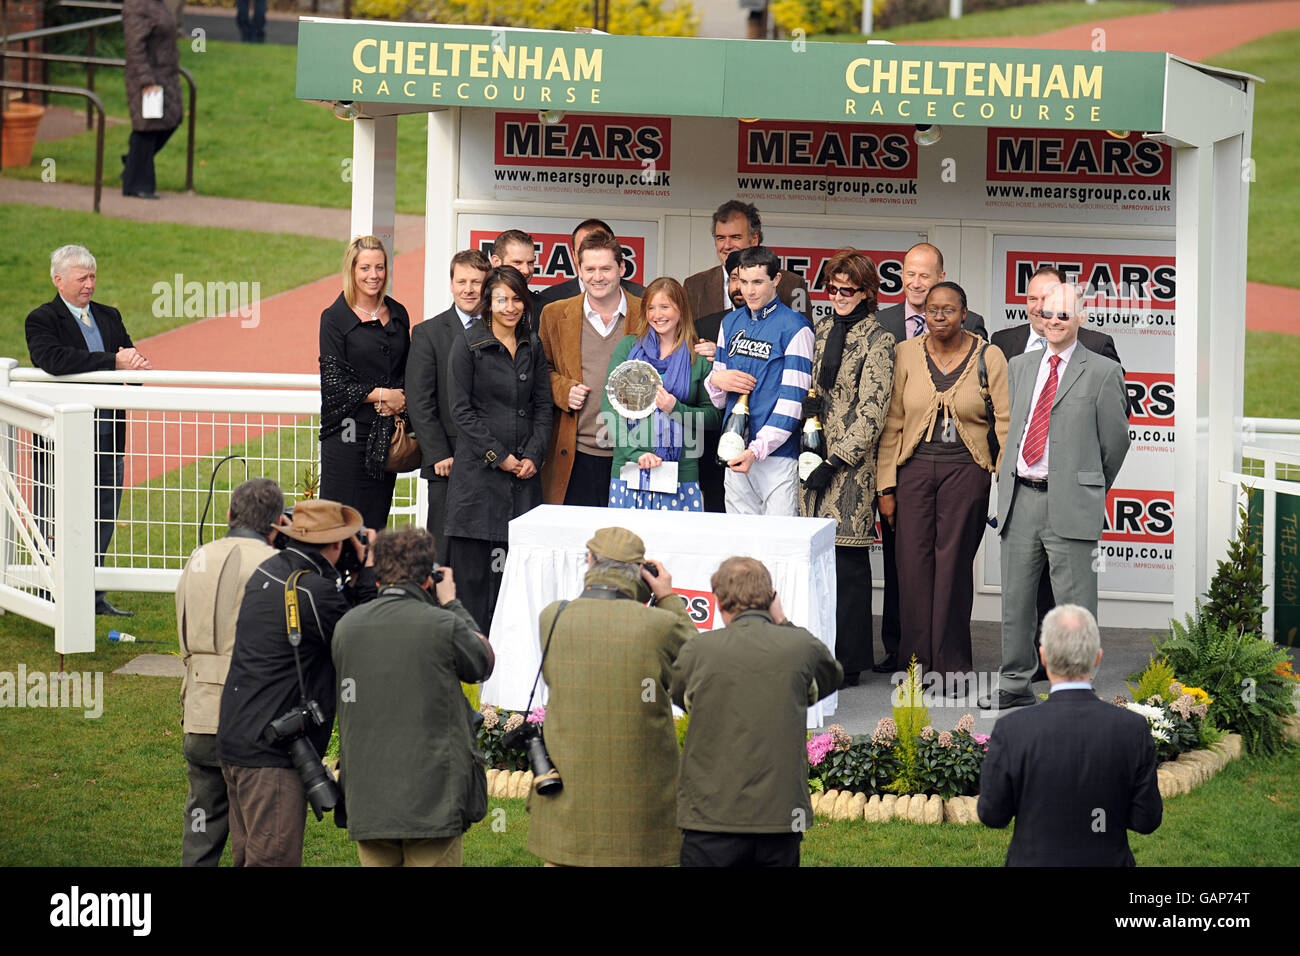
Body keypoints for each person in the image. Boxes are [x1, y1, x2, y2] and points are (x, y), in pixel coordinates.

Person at [980, 282, 1130, 710]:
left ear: (1080, 318)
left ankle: (1076, 688)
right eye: (1047, 314)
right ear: (1038, 317)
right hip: (1020, 498)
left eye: (1064, 315)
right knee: (1016, 602)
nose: (1055, 322)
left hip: (1070, 502)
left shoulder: (1102, 371)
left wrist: (1087, 485)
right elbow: (1011, 428)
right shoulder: (1021, 365)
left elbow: (1115, 444)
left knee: (1076, 605)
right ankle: (1014, 684)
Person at [216, 499, 377, 867]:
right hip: (271, 759)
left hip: (238, 738)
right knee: (273, 860)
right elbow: (361, 641)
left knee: (248, 857)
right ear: (336, 544)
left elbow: (329, 622)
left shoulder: (271, 570)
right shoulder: (313, 593)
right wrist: (366, 572)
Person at [526, 527, 695, 867]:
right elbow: (699, 671)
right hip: (639, 812)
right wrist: (667, 597)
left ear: (589, 562)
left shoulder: (553, 617)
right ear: (641, 573)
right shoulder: (658, 625)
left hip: (567, 804)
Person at [331, 527, 494, 867]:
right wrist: (452, 602)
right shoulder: (442, 624)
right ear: (428, 578)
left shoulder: (347, 627)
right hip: (432, 800)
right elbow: (481, 661)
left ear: (379, 576)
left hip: (369, 797)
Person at [875, 282, 1009, 692]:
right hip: (913, 471)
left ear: (964, 313)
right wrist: (886, 488)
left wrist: (1006, 482)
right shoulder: (906, 353)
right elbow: (893, 422)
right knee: (912, 569)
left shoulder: (990, 355)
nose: (939, 316)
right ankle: (914, 667)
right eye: (932, 309)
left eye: (948, 310)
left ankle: (951, 668)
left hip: (966, 471)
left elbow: (1005, 422)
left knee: (952, 569)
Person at [672, 556, 841, 867]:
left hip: (711, 818)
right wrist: (783, 621)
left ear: (720, 602)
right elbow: (831, 676)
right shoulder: (798, 645)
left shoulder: (700, 650)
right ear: (771, 599)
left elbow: (681, 694)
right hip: (779, 817)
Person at [977, 604, 1162, 865]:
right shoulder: (1132, 729)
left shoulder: (1013, 729)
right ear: (1097, 658)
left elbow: (992, 814)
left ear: (1042, 657)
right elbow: (1146, 820)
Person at [25, 244, 151, 617]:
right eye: (82, 278)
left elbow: (129, 356)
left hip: (109, 436)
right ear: (58, 279)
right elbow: (53, 360)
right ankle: (53, 593)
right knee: (56, 513)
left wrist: (139, 365)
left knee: (103, 514)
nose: (89, 284)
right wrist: (114, 360)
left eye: (93, 276)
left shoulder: (109, 316)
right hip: (63, 438)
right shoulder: (42, 319)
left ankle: (91, 595)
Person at [176, 477, 287, 867]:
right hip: (249, 721)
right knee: (255, 843)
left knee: (201, 834)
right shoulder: (274, 565)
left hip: (199, 712)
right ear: (277, 523)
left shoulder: (198, 556)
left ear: (229, 514)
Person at [798, 250, 895, 686]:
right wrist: (811, 410)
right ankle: (819, 656)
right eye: (832, 288)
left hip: (851, 470)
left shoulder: (880, 340)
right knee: (816, 563)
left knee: (848, 566)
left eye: (847, 290)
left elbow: (873, 411)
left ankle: (851, 661)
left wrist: (836, 460)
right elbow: (818, 387)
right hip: (812, 457)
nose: (838, 296)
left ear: (868, 293)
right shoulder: (821, 329)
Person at [445, 265, 551, 633]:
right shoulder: (468, 343)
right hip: (477, 486)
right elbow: (461, 411)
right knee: (473, 588)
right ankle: (471, 670)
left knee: (516, 582)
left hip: (523, 483)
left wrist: (533, 456)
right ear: (488, 303)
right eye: (501, 299)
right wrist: (500, 457)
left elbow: (543, 407)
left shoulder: (533, 344)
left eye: (516, 298)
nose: (509, 306)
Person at [704, 245, 814, 516]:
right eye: (743, 282)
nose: (749, 291)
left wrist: (756, 449)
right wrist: (717, 379)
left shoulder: (796, 327)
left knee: (776, 547)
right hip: (734, 450)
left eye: (757, 282)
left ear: (776, 280)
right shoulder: (729, 323)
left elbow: (794, 404)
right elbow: (718, 401)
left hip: (776, 457)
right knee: (741, 549)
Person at [538, 232, 643, 506]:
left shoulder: (647, 313)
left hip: (633, 452)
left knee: (626, 544)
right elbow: (538, 372)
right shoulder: (554, 314)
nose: (598, 277)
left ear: (621, 268)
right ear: (579, 271)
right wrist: (562, 390)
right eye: (590, 269)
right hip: (575, 455)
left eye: (606, 268)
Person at [602, 277, 721, 511]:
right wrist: (635, 453)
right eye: (651, 308)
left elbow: (714, 417)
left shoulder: (698, 357)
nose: (657, 315)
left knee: (675, 546)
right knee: (627, 545)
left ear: (681, 309)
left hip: (681, 474)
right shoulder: (628, 348)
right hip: (629, 467)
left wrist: (677, 409)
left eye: (665, 307)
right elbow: (609, 408)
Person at [318, 235, 411, 532]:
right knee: (339, 526)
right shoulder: (334, 318)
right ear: (352, 271)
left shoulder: (398, 313)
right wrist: (384, 396)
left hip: (385, 438)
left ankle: (369, 579)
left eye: (380, 267)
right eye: (365, 268)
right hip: (346, 438)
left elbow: (408, 370)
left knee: (374, 526)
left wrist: (403, 398)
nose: (374, 275)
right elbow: (334, 385)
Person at [405, 248, 491, 563]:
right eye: (462, 281)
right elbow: (419, 399)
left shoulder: (501, 330)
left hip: (490, 457)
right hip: (447, 459)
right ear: (451, 284)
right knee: (443, 544)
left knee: (481, 545)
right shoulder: (428, 333)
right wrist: (438, 452)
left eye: (477, 282)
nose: (468, 289)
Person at [684, 201, 811, 323]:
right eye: (720, 238)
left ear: (754, 239)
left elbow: (803, 335)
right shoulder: (695, 286)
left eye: (735, 237)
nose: (727, 245)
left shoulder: (792, 284)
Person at [692, 250, 746, 513]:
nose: (740, 287)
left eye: (748, 279)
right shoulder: (703, 326)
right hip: (712, 441)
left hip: (762, 442)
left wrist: (724, 357)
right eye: (734, 278)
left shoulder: (786, 324)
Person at [121, 0, 182, 199]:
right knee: (147, 128)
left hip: (166, 75)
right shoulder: (137, 6)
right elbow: (135, 48)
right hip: (147, 76)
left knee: (172, 120)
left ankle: (132, 165)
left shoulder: (157, 4)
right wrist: (145, 80)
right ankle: (138, 185)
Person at [533, 218, 645, 311]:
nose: (598, 277)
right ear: (573, 255)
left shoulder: (643, 298)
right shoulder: (549, 299)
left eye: (605, 268)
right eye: (583, 249)